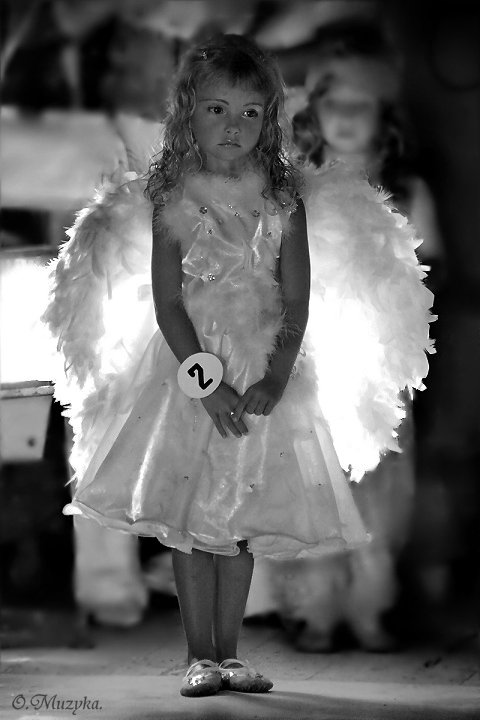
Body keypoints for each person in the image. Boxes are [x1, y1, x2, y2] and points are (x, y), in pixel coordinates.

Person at [42, 33, 433, 697]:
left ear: (270, 119)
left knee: (240, 518)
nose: (233, 126)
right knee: (193, 522)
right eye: (217, 109)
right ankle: (199, 654)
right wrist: (205, 382)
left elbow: (296, 301)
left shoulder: (284, 200)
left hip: (260, 373)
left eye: (250, 112)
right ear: (188, 113)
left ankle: (230, 654)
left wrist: (275, 376)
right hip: (189, 373)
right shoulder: (172, 197)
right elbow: (169, 302)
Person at [246, 32, 443, 651]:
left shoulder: (406, 190)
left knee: (380, 479)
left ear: (385, 116)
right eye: (335, 105)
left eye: (362, 107)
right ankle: (315, 607)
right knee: (313, 475)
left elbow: (429, 268)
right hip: (311, 350)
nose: (347, 119)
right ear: (316, 112)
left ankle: (369, 603)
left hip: (379, 358)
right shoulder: (296, 185)